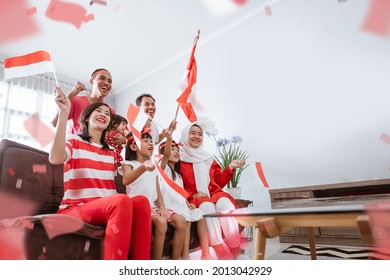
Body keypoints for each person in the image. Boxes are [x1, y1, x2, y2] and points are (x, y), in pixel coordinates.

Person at [49, 88, 151, 260]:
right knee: (120, 200)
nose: (104, 113)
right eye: (98, 110)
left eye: (107, 113)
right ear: (87, 117)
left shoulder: (111, 151)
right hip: (75, 208)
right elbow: (55, 158)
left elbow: (128, 167)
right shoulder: (74, 140)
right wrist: (64, 113)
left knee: (141, 202)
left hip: (105, 207)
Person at [179, 122, 246, 260]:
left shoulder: (208, 157)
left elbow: (219, 182)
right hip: (195, 197)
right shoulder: (179, 157)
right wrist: (191, 195)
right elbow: (175, 183)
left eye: (200, 134)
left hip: (213, 193)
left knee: (225, 205)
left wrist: (230, 168)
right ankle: (219, 249)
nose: (196, 136)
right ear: (185, 135)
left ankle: (235, 248)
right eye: (192, 133)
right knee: (207, 207)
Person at [122, 129, 186, 260]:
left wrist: (162, 208)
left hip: (155, 208)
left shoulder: (154, 167)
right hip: (139, 210)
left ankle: (175, 262)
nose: (150, 143)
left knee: (181, 221)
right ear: (133, 146)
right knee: (161, 222)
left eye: (151, 141)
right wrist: (143, 167)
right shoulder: (128, 164)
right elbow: (126, 180)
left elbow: (158, 190)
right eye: (145, 141)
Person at [158, 138, 214, 260]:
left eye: (177, 150)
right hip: (170, 206)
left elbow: (180, 193)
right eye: (172, 149)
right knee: (187, 220)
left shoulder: (178, 174)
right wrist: (169, 137)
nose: (176, 152)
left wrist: (188, 202)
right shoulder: (163, 169)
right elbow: (166, 155)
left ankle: (206, 254)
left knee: (200, 215)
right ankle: (185, 257)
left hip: (180, 205)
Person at [51, 69, 125, 145]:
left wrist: (123, 140)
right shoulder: (76, 101)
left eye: (109, 81)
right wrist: (71, 94)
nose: (106, 83)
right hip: (75, 149)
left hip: (97, 153)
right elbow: (54, 122)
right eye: (102, 78)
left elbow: (109, 136)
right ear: (91, 81)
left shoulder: (110, 111)